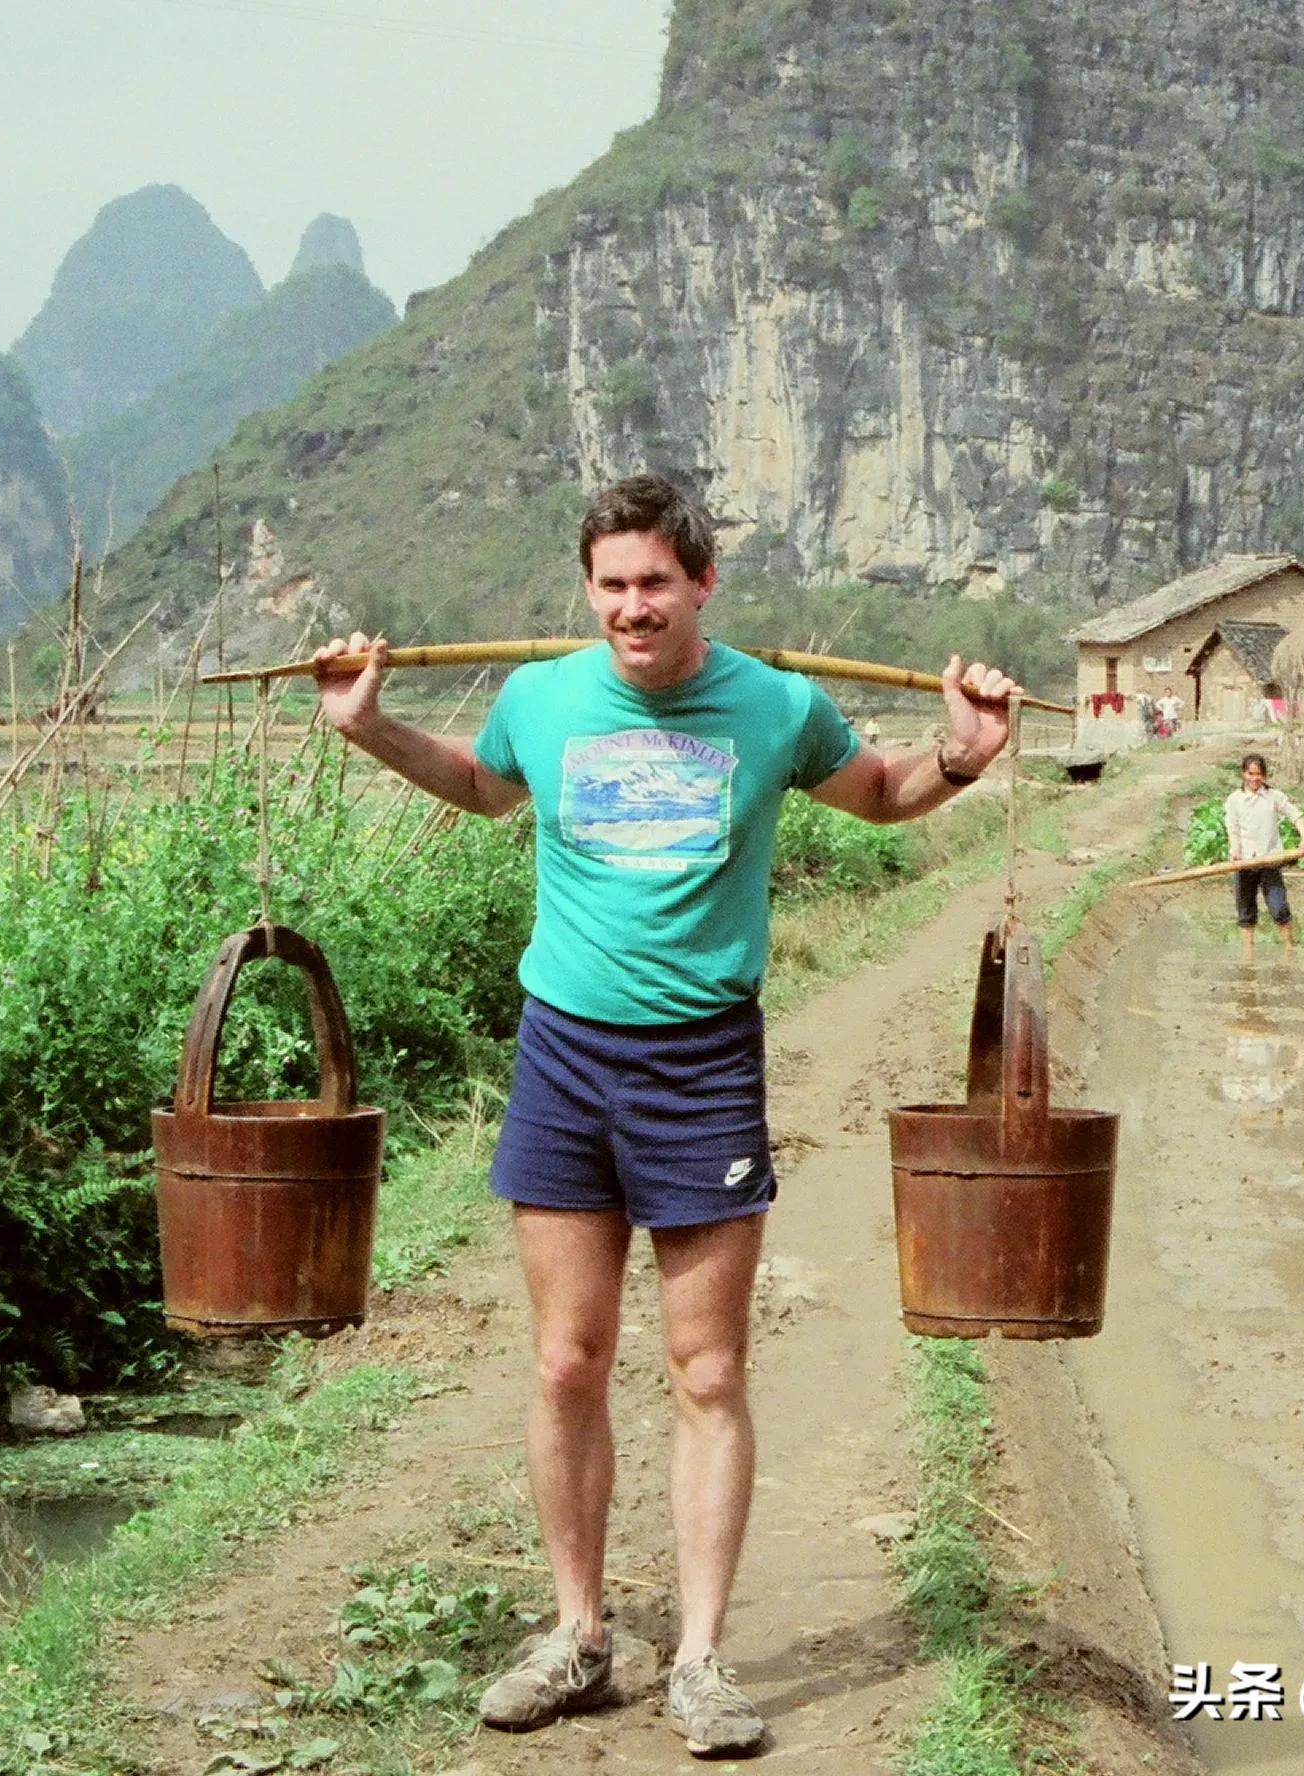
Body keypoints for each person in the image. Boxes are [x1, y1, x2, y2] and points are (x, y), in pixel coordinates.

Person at [312, 473, 1017, 1758]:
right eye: (612, 585)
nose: (632, 607)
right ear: (588, 591)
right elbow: (481, 787)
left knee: (707, 1368)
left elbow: (879, 794)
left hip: (702, 1065)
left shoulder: (776, 706)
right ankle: (578, 1634)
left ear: (702, 584)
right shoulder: (541, 699)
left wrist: (962, 755)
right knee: (566, 1361)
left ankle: (698, 1660)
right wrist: (367, 727)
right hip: (563, 1055)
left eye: (654, 583)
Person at [1223, 752, 1304, 958]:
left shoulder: (1274, 797)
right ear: (1244, 774)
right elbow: (1233, 829)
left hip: (1270, 860)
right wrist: (1235, 851)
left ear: (1264, 775)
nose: (1255, 779)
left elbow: (1296, 815)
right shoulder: (1234, 800)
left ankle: (1289, 947)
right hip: (1244, 863)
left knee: (1279, 908)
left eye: (1259, 774)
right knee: (1246, 911)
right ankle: (1248, 953)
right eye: (1251, 774)